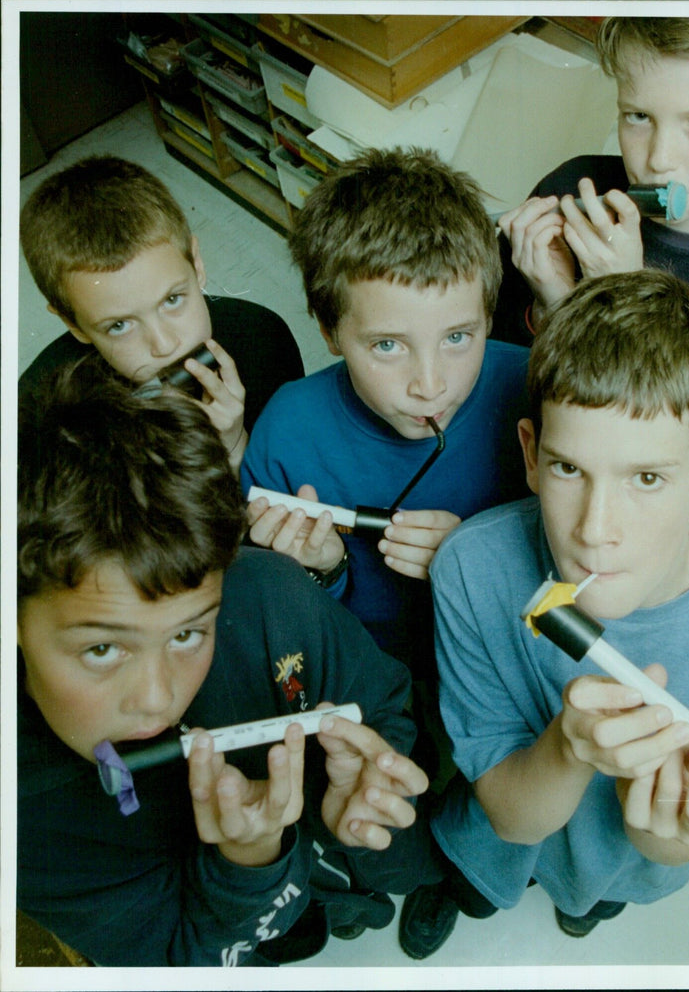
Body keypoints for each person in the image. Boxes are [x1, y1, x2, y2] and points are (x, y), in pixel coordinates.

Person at [398, 270, 689, 958]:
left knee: (591, 901)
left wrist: (667, 826)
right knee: (476, 881)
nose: (594, 530)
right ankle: (461, 888)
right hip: (499, 832)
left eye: (647, 478)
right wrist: (570, 745)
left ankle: (582, 906)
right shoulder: (473, 569)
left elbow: (675, 843)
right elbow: (511, 818)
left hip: (628, 862)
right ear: (531, 456)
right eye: (570, 468)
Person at [16, 361, 446, 967]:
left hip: (339, 874)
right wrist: (251, 861)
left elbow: (379, 704)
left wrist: (365, 788)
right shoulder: (27, 817)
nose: (159, 698)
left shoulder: (270, 593)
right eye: (103, 648)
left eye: (190, 633)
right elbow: (176, 960)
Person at [241, 147, 530, 683]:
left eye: (458, 337)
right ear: (329, 332)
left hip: (503, 659)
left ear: (490, 314)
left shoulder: (536, 392)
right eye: (389, 346)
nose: (431, 385)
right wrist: (321, 571)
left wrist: (479, 561)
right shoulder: (286, 435)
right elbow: (283, 621)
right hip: (368, 666)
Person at [493, 16, 689, 455]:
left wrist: (616, 299)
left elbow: (686, 469)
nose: (659, 159)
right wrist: (550, 307)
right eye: (638, 116)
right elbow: (485, 378)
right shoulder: (575, 184)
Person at [19, 155, 304, 470]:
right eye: (118, 325)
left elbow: (285, 481)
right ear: (72, 323)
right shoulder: (40, 416)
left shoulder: (261, 337)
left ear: (196, 265)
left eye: (172, 299)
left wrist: (234, 446)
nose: (165, 345)